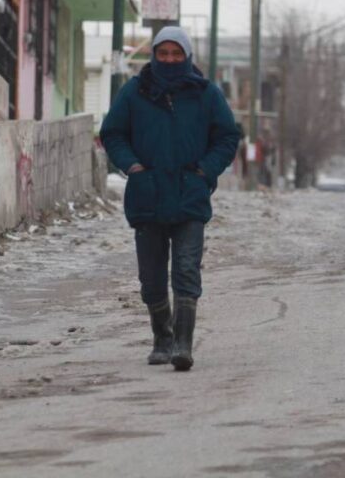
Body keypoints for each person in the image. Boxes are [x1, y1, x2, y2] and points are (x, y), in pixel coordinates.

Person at [100, 27, 240, 371]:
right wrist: (133, 167)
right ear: (154, 55)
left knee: (187, 269)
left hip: (190, 195)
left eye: (176, 54)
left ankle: (183, 344)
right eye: (163, 53)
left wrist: (205, 171)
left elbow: (226, 137)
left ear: (187, 56)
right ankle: (162, 337)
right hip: (146, 196)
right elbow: (112, 133)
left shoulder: (206, 94)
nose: (170, 60)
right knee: (151, 277)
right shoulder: (135, 91)